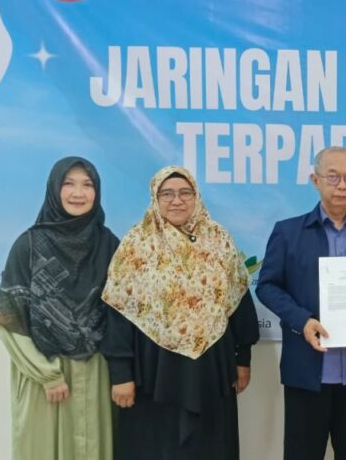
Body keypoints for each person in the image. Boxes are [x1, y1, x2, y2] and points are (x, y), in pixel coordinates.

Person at [256, 147, 346, 460]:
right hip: (306, 369)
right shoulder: (288, 232)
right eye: (333, 177)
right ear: (315, 180)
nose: (341, 185)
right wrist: (302, 320)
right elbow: (267, 286)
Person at [100, 166, 259, 459]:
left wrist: (243, 358)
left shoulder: (219, 240)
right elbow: (119, 312)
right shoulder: (136, 244)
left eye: (185, 193)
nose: (177, 201)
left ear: (196, 197)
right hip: (154, 373)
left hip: (211, 369)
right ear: (155, 198)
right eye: (167, 194)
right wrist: (121, 373)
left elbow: (239, 300)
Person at [0, 157, 118, 460]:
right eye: (68, 183)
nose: (78, 193)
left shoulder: (109, 245)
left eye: (87, 185)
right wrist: (47, 374)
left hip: (95, 372)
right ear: (54, 189)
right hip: (44, 372)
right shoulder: (29, 245)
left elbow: (121, 314)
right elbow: (10, 319)